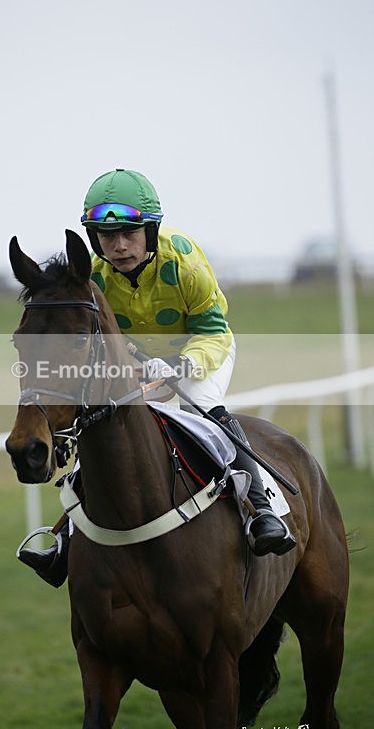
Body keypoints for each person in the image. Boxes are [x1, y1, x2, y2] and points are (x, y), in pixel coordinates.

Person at [19, 169, 296, 586]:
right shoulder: (92, 277)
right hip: (138, 359)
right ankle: (67, 537)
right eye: (106, 236)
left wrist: (182, 367)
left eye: (129, 233)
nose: (119, 246)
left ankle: (262, 511)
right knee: (105, 426)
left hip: (203, 348)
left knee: (205, 414)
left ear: (151, 230)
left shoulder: (184, 262)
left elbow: (213, 331)